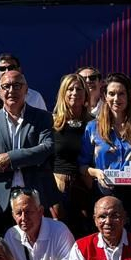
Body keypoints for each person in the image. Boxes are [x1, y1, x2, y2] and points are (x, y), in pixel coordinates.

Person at [0, 70, 56, 230]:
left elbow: (46, 148)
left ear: (26, 90)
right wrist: (9, 160)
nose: (11, 90)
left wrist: (10, 158)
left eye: (17, 85)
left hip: (35, 196)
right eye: (6, 86)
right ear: (0, 92)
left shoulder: (42, 117)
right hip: (0, 201)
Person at [80, 73, 131, 233]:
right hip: (104, 194)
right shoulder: (92, 127)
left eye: (121, 93)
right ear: (104, 96)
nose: (117, 98)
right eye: (112, 94)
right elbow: (82, 165)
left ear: (129, 96)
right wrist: (96, 172)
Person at [50, 73, 94, 233]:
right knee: (60, 234)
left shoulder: (94, 123)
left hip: (86, 186)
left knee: (86, 233)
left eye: (79, 89)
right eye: (70, 89)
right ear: (63, 93)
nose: (74, 92)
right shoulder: (52, 122)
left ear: (86, 94)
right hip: (59, 187)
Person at [4, 189, 82, 260]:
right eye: (18, 213)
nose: (23, 218)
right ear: (13, 215)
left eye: (28, 212)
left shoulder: (60, 231)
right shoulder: (11, 236)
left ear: (40, 211)